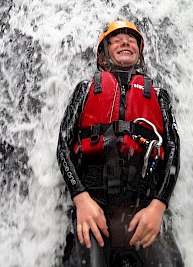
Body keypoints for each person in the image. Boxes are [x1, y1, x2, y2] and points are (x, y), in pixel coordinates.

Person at [57, 20, 183, 267]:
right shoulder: (84, 90)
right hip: (94, 214)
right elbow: (63, 145)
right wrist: (81, 198)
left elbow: (173, 151)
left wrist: (158, 206)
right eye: (117, 38)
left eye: (132, 39)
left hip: (144, 216)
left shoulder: (158, 95)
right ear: (103, 54)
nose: (126, 41)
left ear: (139, 51)